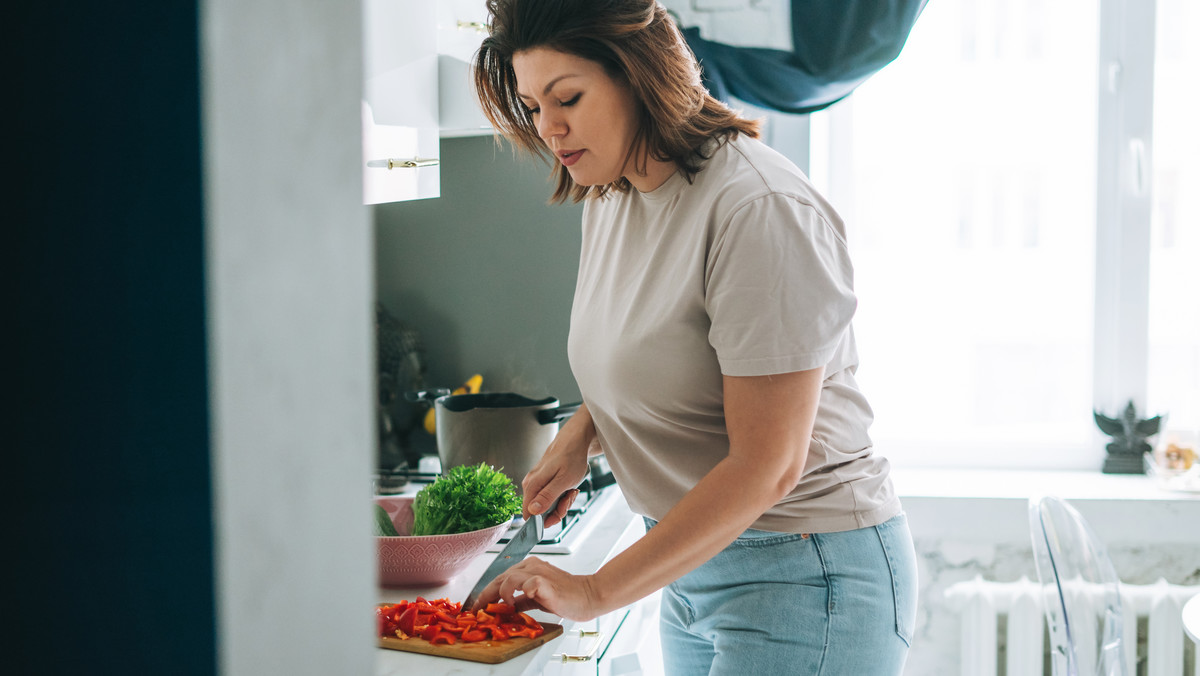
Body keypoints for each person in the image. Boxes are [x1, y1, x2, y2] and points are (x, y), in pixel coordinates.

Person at [470, 1, 918, 673]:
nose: (550, 128)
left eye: (568, 98)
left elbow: (767, 464)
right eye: (534, 107)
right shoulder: (612, 194)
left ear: (639, 76)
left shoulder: (757, 209)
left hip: (806, 573)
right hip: (691, 563)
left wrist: (594, 590)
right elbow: (670, 345)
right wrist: (582, 434)